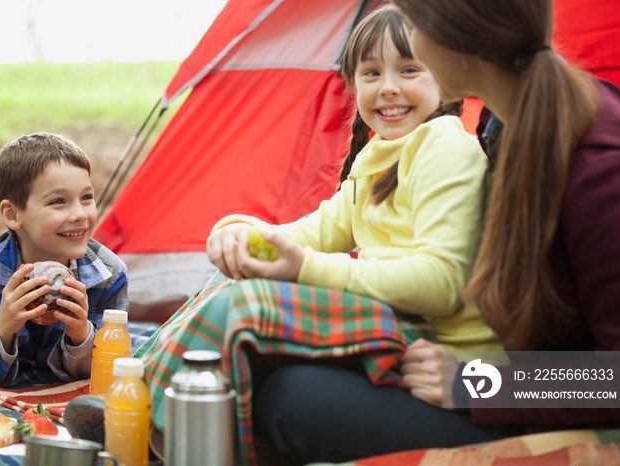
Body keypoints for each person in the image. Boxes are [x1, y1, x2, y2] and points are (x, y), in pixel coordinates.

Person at [252, 0, 620, 463]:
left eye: (414, 25)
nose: (405, 43)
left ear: (460, 33)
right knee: (273, 365)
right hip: (514, 377)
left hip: (583, 418)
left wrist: (477, 381)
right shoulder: (503, 120)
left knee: (291, 401)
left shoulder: (601, 166)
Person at [133, 5, 515, 465]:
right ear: (353, 86)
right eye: (371, 72)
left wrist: (304, 268)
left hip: (444, 353)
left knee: (243, 306)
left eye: (409, 69)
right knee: (233, 281)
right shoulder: (378, 154)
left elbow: (441, 283)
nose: (389, 86)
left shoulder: (445, 147)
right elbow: (313, 231)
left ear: (447, 78)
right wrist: (242, 232)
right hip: (405, 330)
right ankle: (141, 400)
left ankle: (146, 418)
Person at [0, 132, 129, 387]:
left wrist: (81, 336)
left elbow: (104, 375)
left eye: (86, 197)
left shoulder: (109, 276)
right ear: (13, 214)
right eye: (58, 201)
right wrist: (3, 327)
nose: (80, 214)